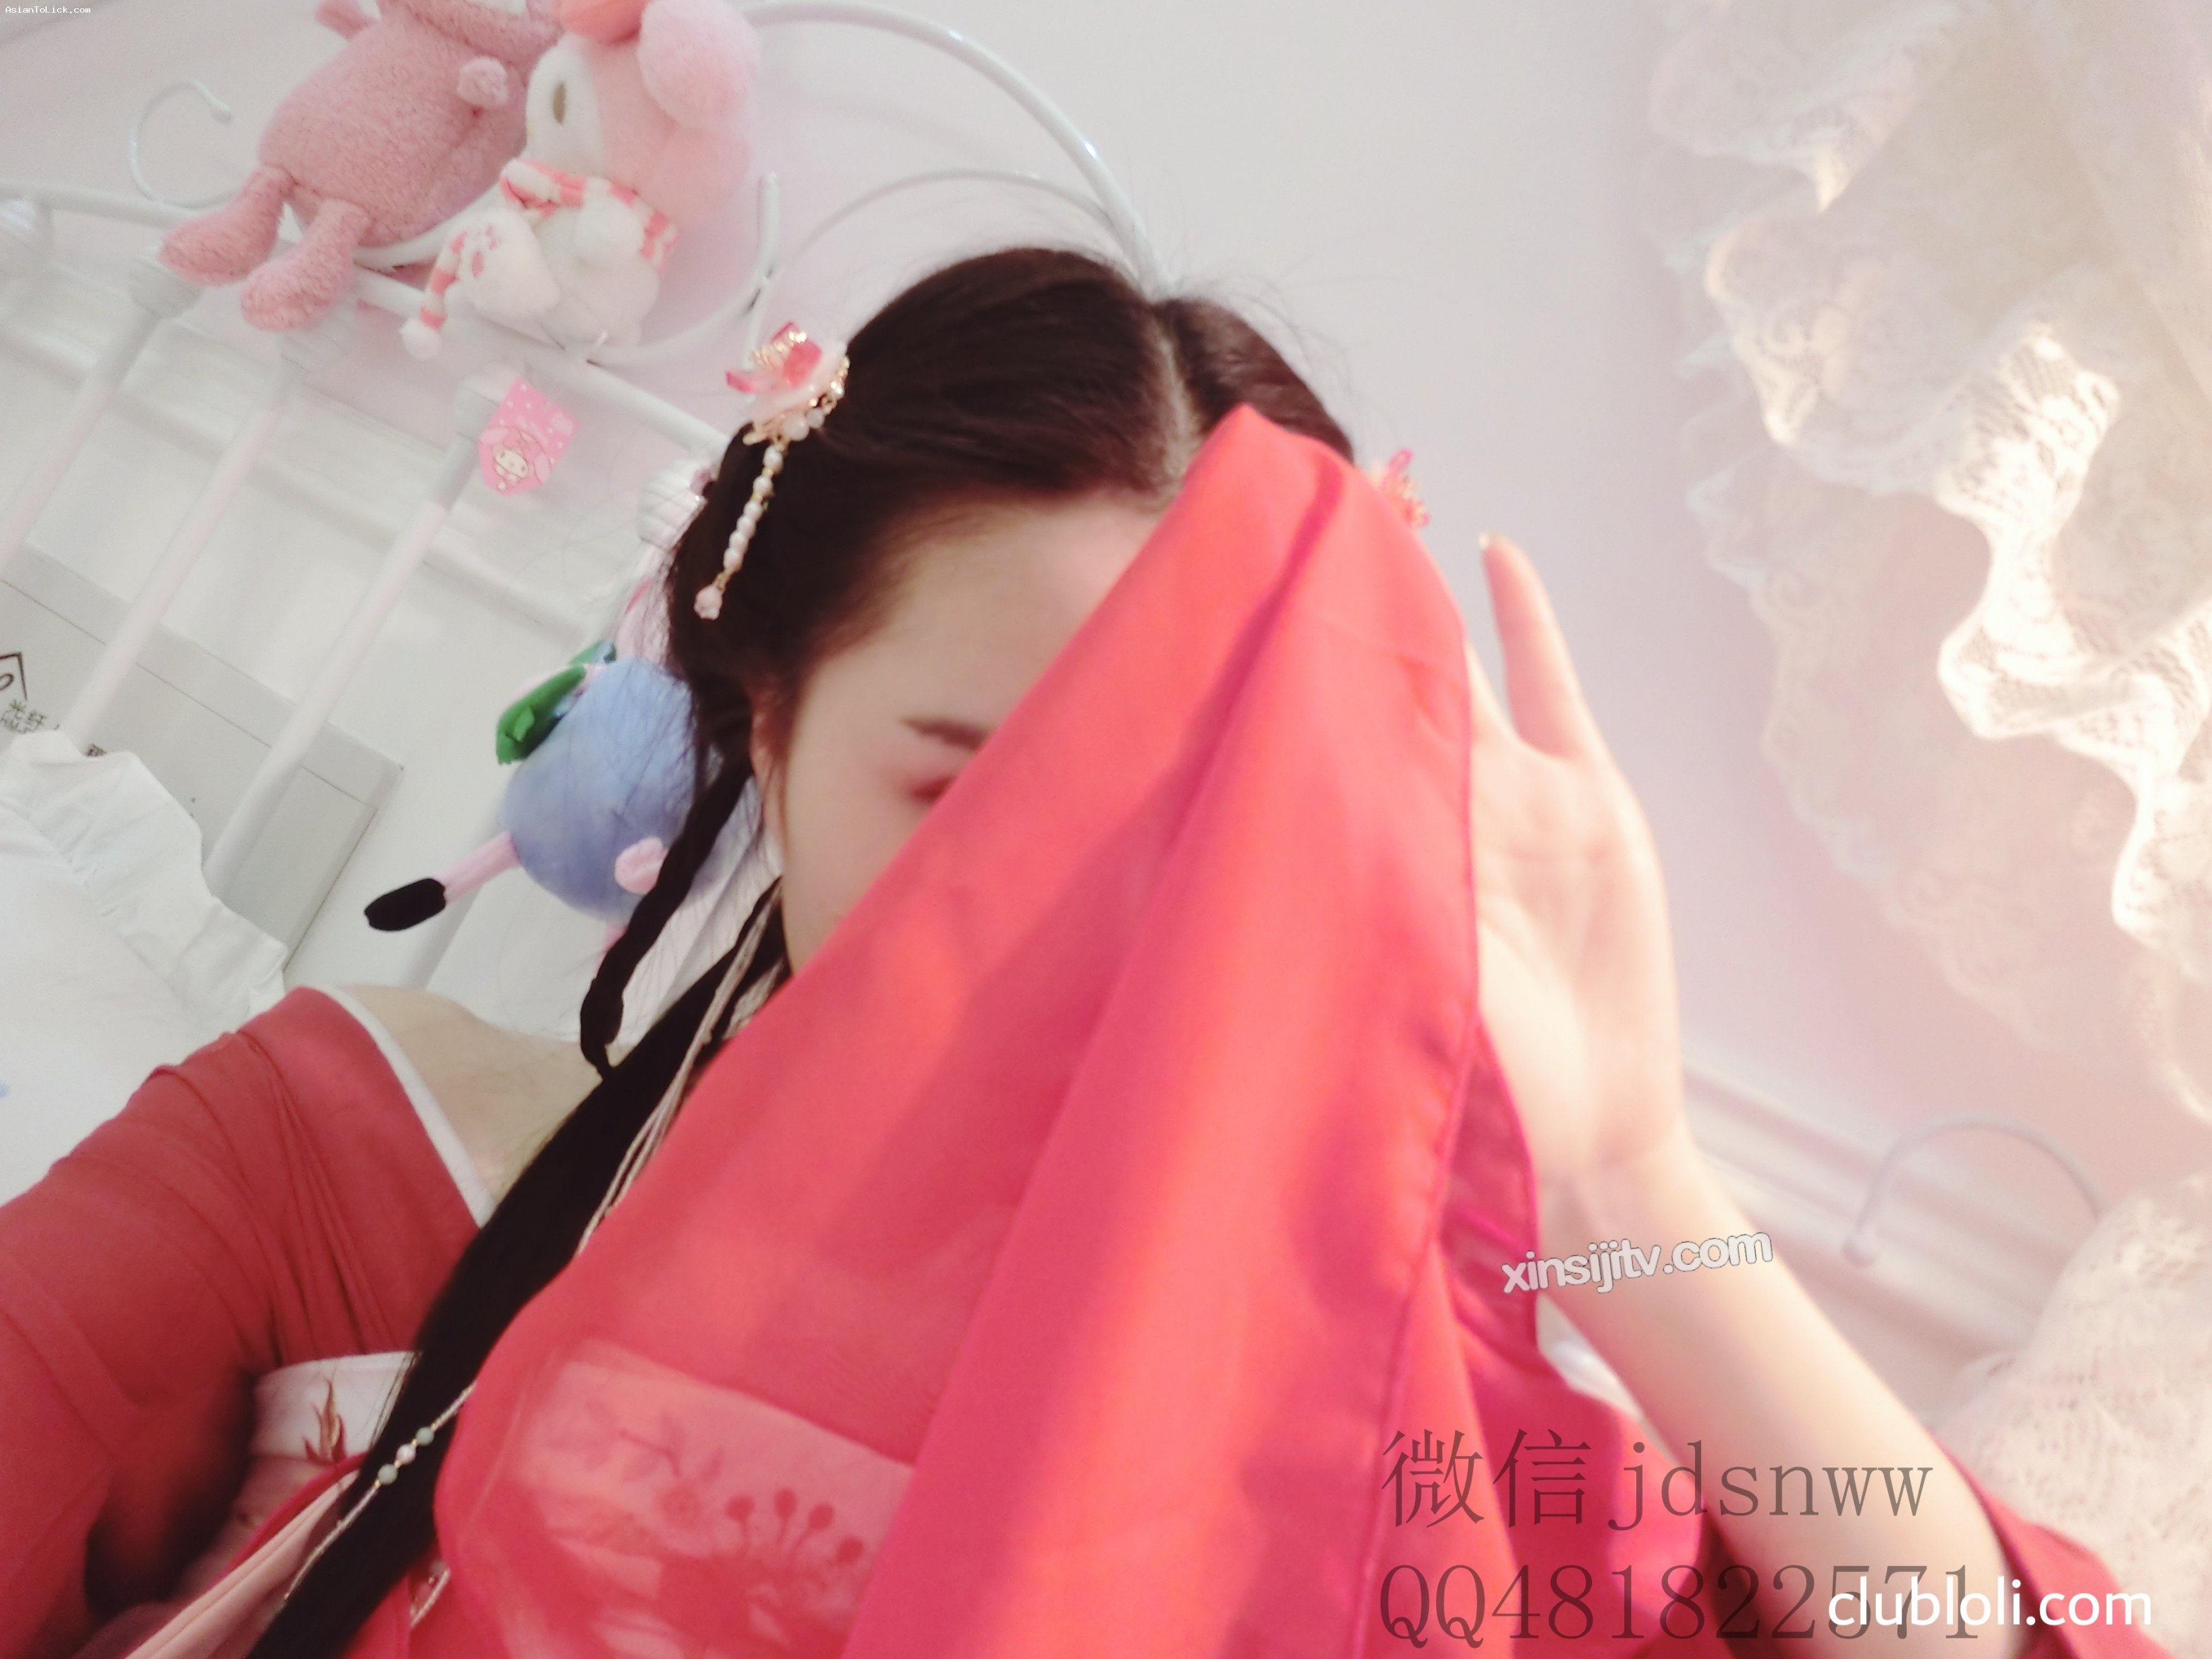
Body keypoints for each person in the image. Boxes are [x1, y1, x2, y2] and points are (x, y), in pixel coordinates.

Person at [0, 248, 2163, 1659]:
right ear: (769, 721)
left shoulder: (1352, 1416)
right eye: (975, 796)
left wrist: (1626, 1174)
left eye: (1199, 834)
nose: (1078, 931)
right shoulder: (342, 1158)